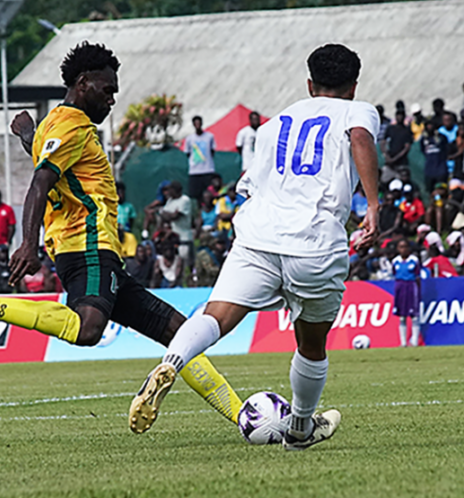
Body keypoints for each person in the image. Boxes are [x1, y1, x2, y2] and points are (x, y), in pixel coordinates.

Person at [0, 41, 242, 431]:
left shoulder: (55, 129)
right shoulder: (72, 126)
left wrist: (29, 135)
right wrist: (28, 242)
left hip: (95, 254)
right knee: (88, 328)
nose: (112, 99)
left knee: (180, 334)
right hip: (89, 248)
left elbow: (47, 161)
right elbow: (41, 181)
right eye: (107, 89)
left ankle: (244, 418)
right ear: (83, 82)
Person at [138, 44, 380, 449]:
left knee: (215, 316)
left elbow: (245, 186)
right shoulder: (358, 110)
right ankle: (301, 428)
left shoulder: (275, 124)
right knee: (311, 344)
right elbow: (360, 138)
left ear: (309, 84)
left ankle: (170, 363)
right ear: (354, 86)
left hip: (258, 238)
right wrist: (372, 205)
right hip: (314, 242)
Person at [391, 239, 421, 347]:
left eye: (405, 247)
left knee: (414, 316)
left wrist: (419, 291)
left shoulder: (414, 260)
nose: (403, 249)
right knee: (401, 316)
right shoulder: (395, 261)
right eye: (401, 247)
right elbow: (394, 273)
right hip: (400, 287)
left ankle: (415, 341)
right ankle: (403, 342)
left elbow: (417, 277)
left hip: (411, 286)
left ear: (409, 248)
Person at [185, 115, 217, 202]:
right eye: (196, 123)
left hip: (207, 170)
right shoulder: (189, 138)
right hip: (195, 171)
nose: (197, 125)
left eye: (199, 123)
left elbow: (212, 151)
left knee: (209, 193)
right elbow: (188, 153)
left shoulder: (209, 136)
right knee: (196, 195)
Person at [159, 181, 193, 263]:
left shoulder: (185, 200)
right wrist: (168, 214)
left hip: (184, 237)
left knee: (185, 262)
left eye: (170, 190)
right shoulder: (170, 201)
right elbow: (164, 215)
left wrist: (167, 214)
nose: (168, 192)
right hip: (172, 236)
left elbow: (175, 217)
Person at [420, 122, 449, 192]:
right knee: (430, 191)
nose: (429, 127)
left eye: (431, 125)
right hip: (429, 169)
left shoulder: (441, 138)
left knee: (442, 189)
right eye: (428, 125)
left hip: (440, 168)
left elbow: (446, 150)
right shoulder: (423, 139)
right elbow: (423, 151)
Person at [382, 109, 412, 175]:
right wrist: (387, 156)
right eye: (398, 115)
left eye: (401, 115)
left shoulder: (406, 130)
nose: (399, 117)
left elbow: (407, 147)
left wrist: (395, 159)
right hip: (389, 161)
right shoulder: (390, 128)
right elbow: (383, 143)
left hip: (401, 162)